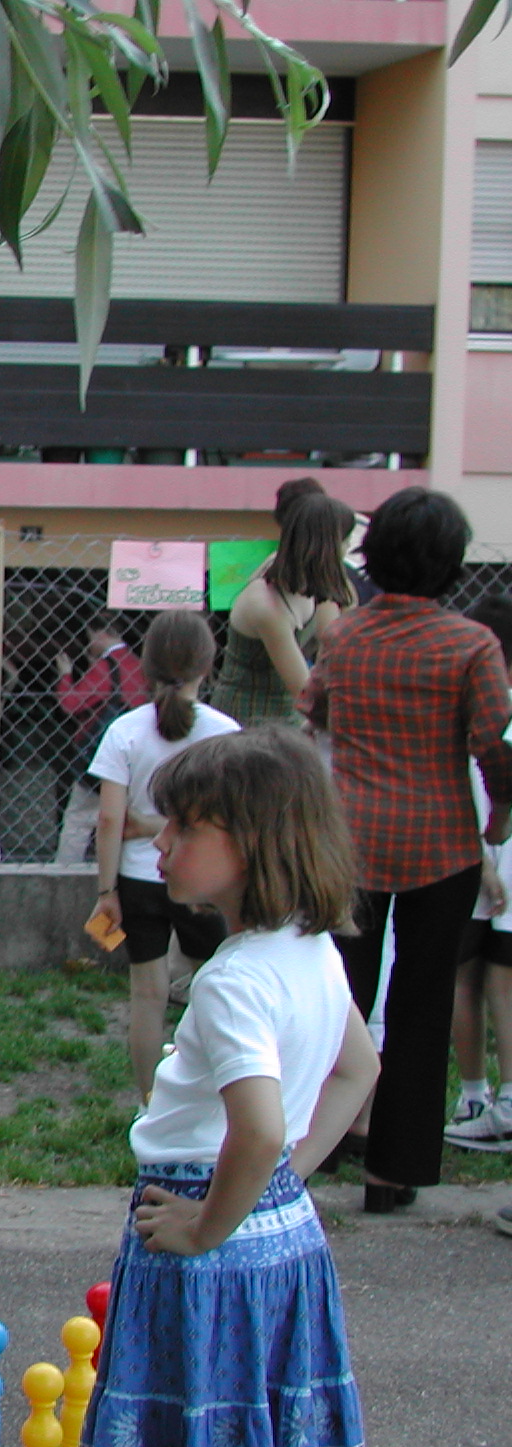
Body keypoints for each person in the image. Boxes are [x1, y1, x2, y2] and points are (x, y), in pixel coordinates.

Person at [74, 727, 378, 1447]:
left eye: (185, 827)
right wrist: (280, 1185)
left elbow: (260, 1125)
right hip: (280, 1234)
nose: (161, 843)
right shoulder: (311, 949)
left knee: (193, 1445)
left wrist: (209, 1223)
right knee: (257, 1439)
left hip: (205, 1245)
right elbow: (359, 1070)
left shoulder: (232, 982)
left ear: (254, 842)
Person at [303, 488, 512, 1212]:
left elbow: (315, 710)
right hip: (442, 844)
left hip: (350, 842)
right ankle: (394, 1172)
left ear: (376, 554)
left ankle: (308, 1152)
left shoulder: (346, 636)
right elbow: (494, 743)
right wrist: (499, 819)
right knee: (423, 1004)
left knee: (336, 999)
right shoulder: (471, 645)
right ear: (451, 562)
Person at [88, 611, 240, 1098]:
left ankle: (150, 1104)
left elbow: (109, 820)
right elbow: (230, 818)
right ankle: (216, 1092)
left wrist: (107, 890)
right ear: (208, 665)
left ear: (147, 665)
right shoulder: (225, 733)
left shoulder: (124, 730)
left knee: (147, 996)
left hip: (138, 879)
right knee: (216, 990)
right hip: (204, 881)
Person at [444, 594, 512, 1151]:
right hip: (489, 860)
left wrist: (484, 859)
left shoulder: (480, 707)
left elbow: (474, 788)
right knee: (490, 980)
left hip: (481, 860)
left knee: (471, 979)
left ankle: (481, 1097)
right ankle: (496, 1100)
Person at [211, 481, 355, 726]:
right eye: (345, 541)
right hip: (245, 721)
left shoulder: (311, 582)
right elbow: (304, 691)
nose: (349, 548)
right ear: (327, 546)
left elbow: (334, 642)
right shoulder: (267, 603)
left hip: (286, 717)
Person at [54, 611, 148, 861]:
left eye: (89, 637)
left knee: (78, 818)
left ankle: (66, 870)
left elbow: (71, 703)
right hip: (134, 755)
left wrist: (65, 675)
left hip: (99, 756)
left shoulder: (107, 666)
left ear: (100, 633)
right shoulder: (139, 664)